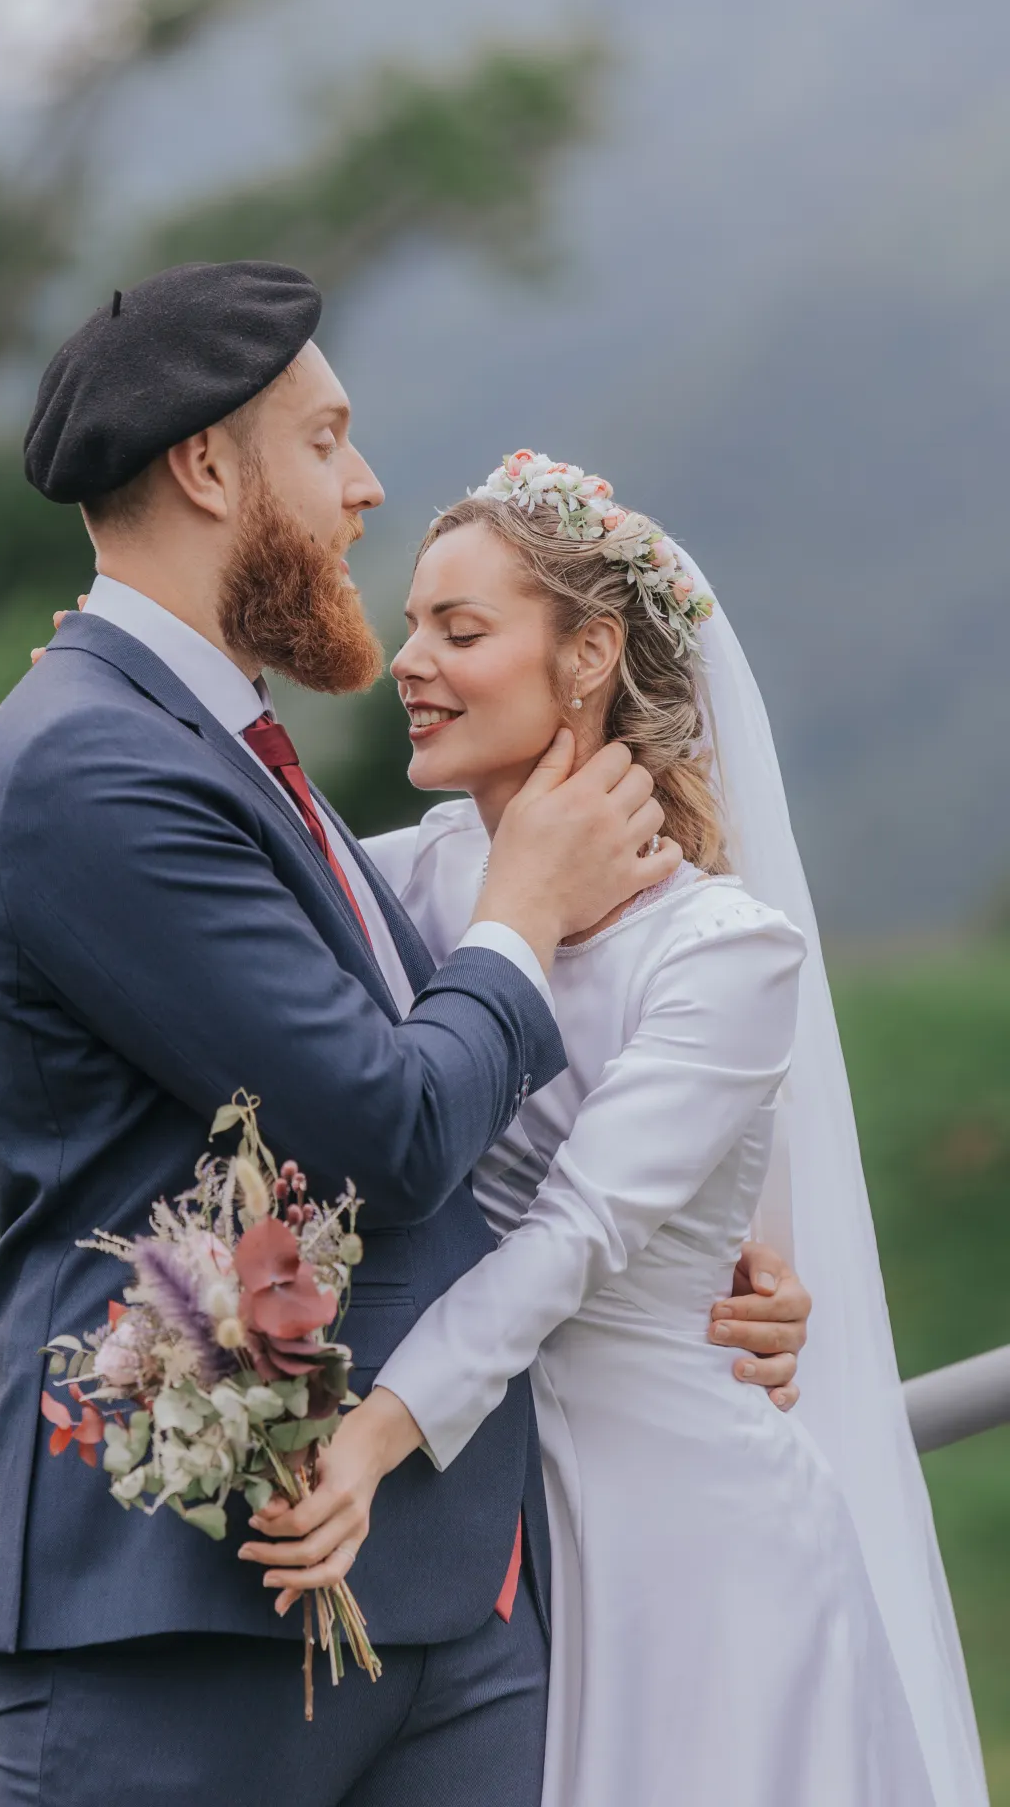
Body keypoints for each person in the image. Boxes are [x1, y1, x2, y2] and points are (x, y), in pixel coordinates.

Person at [0, 268, 810, 1807]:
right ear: (209, 468)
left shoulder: (227, 747)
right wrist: (528, 912)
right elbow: (392, 1125)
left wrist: (705, 1254)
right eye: (326, 440)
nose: (365, 486)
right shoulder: (93, 759)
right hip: (186, 1604)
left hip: (456, 1585)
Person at [244, 456, 989, 1806]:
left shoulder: (724, 951)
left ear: (586, 656)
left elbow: (578, 1234)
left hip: (695, 1543)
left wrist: (372, 1436)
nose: (408, 662)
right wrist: (130, 684)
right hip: (511, 1536)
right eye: (414, 625)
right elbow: (246, 865)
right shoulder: (419, 879)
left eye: (460, 630)